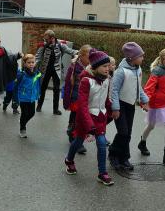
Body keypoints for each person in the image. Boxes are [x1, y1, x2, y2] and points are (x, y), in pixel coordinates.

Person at [64, 48, 113, 186]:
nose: (107, 69)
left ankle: (102, 173)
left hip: (100, 118)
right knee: (79, 141)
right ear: (96, 67)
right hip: (85, 118)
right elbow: (83, 105)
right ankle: (69, 160)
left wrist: (113, 110)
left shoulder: (106, 80)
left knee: (102, 144)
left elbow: (106, 100)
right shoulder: (86, 81)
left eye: (108, 66)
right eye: (104, 66)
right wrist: (89, 124)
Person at [108, 42, 149, 171]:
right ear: (132, 58)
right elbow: (113, 90)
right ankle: (113, 154)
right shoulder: (121, 71)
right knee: (123, 132)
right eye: (140, 56)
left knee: (128, 133)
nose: (143, 58)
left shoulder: (138, 69)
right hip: (120, 105)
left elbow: (138, 87)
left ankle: (124, 157)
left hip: (130, 105)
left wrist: (145, 100)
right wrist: (115, 108)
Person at [137, 48, 165, 167]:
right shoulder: (156, 71)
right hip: (156, 104)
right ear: (164, 60)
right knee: (151, 126)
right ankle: (142, 142)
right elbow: (148, 88)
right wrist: (145, 102)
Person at [35, 30, 77, 115]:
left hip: (56, 70)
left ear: (53, 38)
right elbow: (38, 57)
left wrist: (79, 53)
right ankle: (39, 106)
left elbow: (70, 51)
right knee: (43, 88)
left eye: (47, 39)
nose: (45, 41)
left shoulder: (60, 45)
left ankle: (55, 109)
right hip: (45, 70)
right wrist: (33, 66)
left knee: (57, 89)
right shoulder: (43, 46)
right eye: (45, 39)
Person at [63, 44, 91, 153]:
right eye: (89, 57)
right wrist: (67, 100)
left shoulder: (91, 67)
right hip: (75, 97)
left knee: (80, 119)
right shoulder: (74, 67)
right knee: (76, 118)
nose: (90, 60)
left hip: (86, 98)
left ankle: (73, 133)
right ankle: (75, 139)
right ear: (82, 56)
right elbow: (68, 84)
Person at [13, 54, 42, 138]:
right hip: (23, 98)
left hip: (32, 97)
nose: (31, 64)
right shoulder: (22, 74)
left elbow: (37, 85)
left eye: (33, 62)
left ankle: (22, 121)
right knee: (24, 113)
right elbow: (16, 87)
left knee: (32, 113)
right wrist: (15, 99)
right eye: (29, 62)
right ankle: (22, 129)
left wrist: (38, 93)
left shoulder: (37, 73)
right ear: (25, 63)